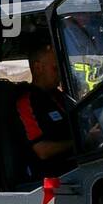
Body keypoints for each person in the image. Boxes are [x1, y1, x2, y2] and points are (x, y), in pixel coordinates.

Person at [14, 35, 75, 178]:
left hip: (77, 166)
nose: (60, 74)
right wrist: (79, 142)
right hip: (53, 178)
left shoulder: (59, 96)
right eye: (55, 69)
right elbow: (42, 150)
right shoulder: (27, 102)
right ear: (38, 67)